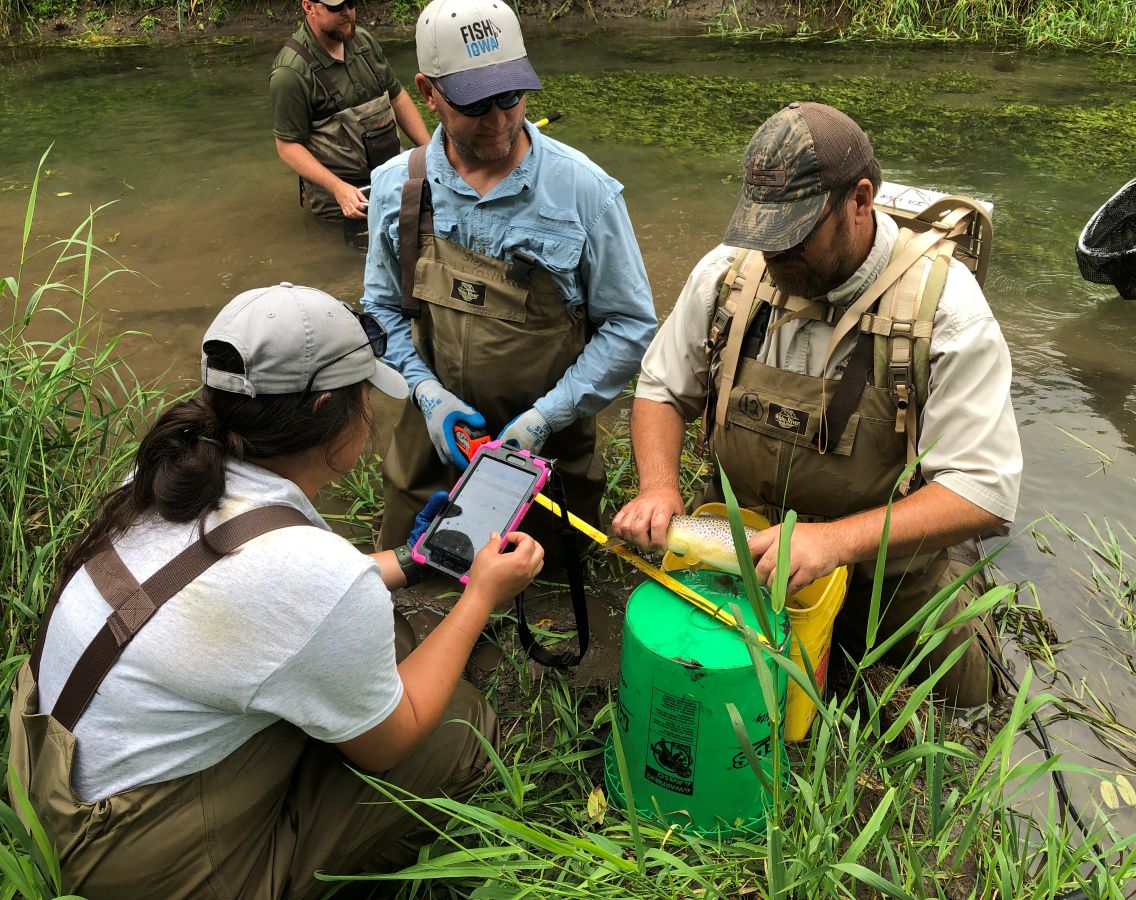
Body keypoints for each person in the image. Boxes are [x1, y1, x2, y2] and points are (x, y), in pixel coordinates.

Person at [8, 283, 544, 898]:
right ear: (325, 411)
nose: (371, 414)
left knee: (374, 640)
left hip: (46, 783)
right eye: (365, 396)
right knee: (456, 729)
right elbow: (389, 742)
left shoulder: (166, 476)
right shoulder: (310, 573)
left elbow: (252, 585)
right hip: (127, 861)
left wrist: (411, 563)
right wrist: (481, 597)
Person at [612, 103, 1022, 706]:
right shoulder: (729, 277)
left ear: (860, 200)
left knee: (965, 705)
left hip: (887, 575)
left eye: (794, 237)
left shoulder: (946, 310)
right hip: (739, 548)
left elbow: (984, 494)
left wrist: (832, 542)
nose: (773, 259)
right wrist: (657, 486)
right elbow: (661, 390)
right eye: (761, 235)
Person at [361, 0, 657, 550]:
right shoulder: (394, 188)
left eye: (511, 96)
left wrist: (546, 418)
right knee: (417, 586)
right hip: (433, 444)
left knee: (548, 589)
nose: (499, 120)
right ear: (428, 93)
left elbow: (630, 325)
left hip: (547, 455)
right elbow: (380, 308)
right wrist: (426, 394)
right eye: (476, 104)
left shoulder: (584, 192)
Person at [271, 0, 432, 222]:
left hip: (390, 174)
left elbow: (397, 97)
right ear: (309, 7)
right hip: (341, 196)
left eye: (352, 3)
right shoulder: (290, 73)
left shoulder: (364, 40)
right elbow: (287, 146)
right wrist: (338, 188)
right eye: (336, 7)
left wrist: (431, 152)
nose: (348, 13)